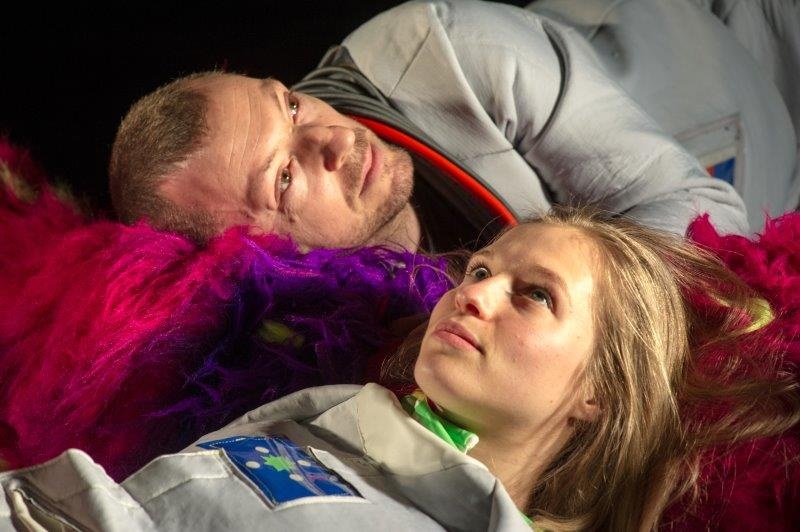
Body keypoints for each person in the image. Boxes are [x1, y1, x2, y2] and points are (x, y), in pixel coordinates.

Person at [2, 206, 796, 530]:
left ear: (601, 392)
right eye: (479, 270)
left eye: (534, 295)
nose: (474, 295)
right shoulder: (327, 418)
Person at [109, 0, 751, 251]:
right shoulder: (285, 345)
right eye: (283, 178)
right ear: (243, 260)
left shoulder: (445, 52)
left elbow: (702, 211)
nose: (336, 139)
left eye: (292, 107)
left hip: (741, 52)